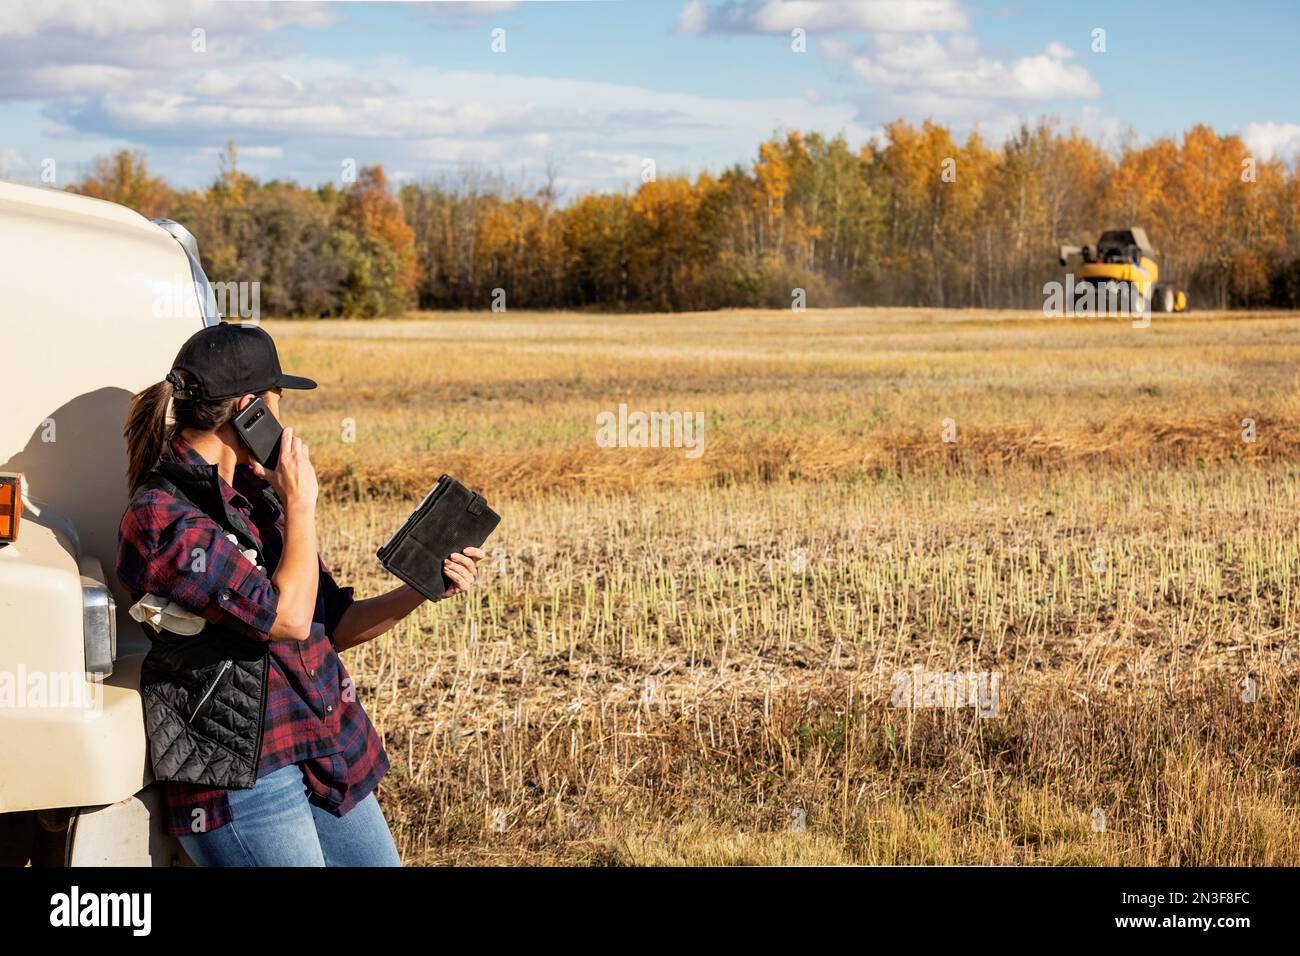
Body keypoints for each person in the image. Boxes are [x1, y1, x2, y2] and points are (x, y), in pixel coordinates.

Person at [116, 323, 483, 866]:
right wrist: (302, 504)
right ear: (249, 409)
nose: (284, 422)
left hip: (320, 744)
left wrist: (422, 588)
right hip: (242, 772)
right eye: (278, 403)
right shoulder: (162, 517)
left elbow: (332, 624)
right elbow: (285, 620)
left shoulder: (258, 496)